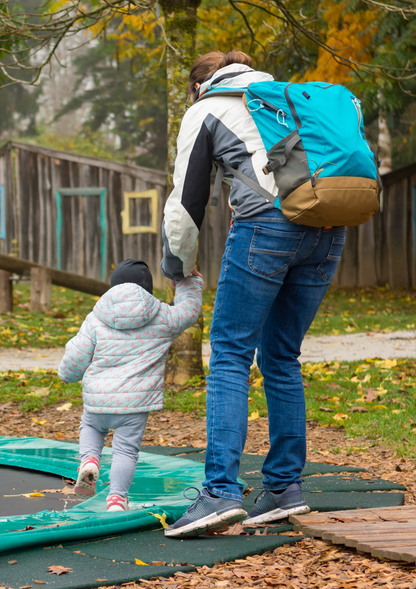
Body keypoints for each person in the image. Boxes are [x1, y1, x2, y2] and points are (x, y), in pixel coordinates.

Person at [162, 51, 348, 537]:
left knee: (228, 355)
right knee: (282, 356)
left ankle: (220, 493)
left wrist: (177, 267)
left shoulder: (205, 109)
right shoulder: (287, 98)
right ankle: (284, 488)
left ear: (196, 87)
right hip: (329, 227)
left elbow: (186, 202)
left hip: (265, 229)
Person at [58, 258, 203, 511]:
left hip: (98, 399)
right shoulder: (162, 316)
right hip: (135, 404)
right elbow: (189, 311)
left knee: (90, 426)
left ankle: (90, 460)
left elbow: (76, 356)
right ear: (148, 289)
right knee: (125, 451)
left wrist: (66, 375)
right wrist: (187, 280)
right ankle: (116, 499)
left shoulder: (96, 317)